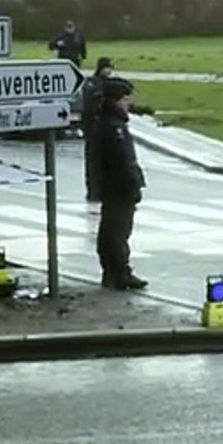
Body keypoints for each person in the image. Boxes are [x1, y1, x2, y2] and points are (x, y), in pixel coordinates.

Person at [93, 77, 148, 291]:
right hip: (119, 187)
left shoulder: (106, 122)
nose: (128, 103)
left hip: (111, 187)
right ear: (115, 100)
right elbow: (123, 160)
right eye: (125, 99)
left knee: (110, 230)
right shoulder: (113, 127)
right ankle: (120, 273)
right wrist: (134, 184)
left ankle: (111, 272)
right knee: (118, 231)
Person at [79, 57, 114, 204]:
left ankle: (104, 190)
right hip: (93, 129)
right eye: (107, 67)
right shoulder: (93, 84)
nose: (110, 70)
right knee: (93, 163)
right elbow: (88, 107)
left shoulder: (110, 84)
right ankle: (93, 191)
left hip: (104, 130)